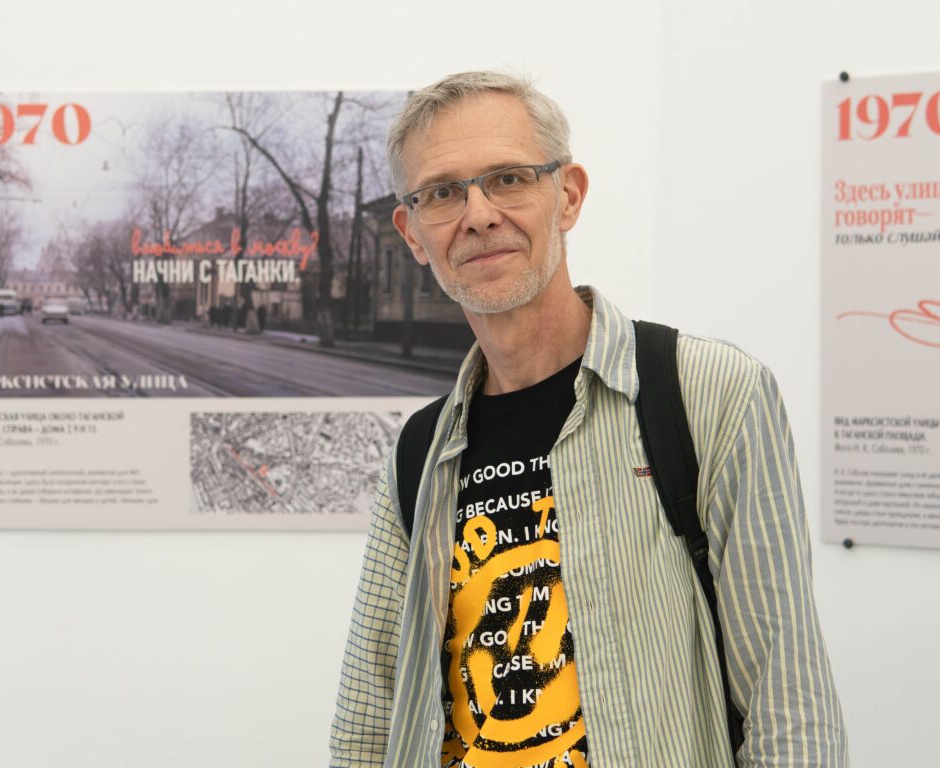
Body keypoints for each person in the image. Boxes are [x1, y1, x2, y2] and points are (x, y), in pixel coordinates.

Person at [330, 71, 848, 768]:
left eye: (508, 178)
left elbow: (792, 709)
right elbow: (368, 715)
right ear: (414, 233)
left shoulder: (708, 393)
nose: (478, 214)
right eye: (443, 193)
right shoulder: (420, 449)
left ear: (568, 195)